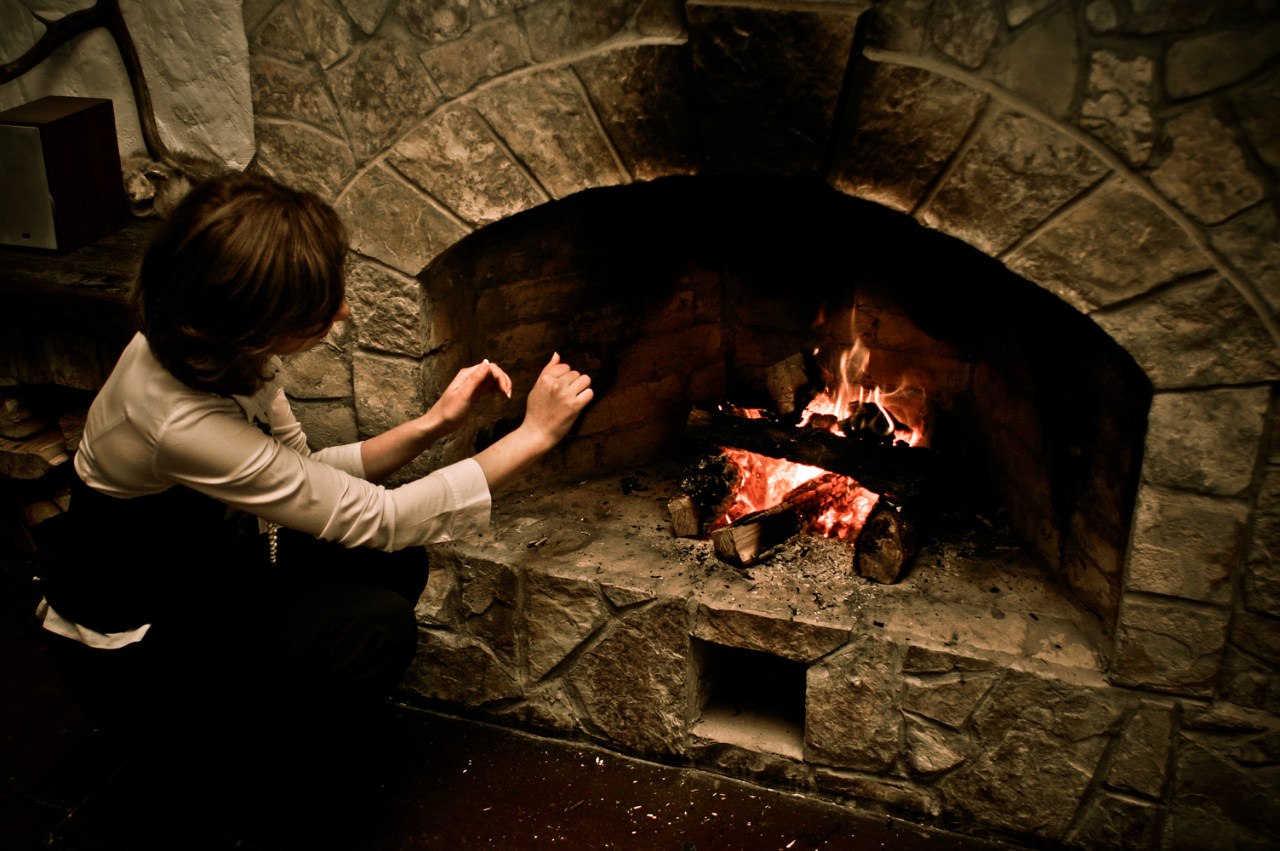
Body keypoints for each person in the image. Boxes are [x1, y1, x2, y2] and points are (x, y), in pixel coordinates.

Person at [36, 171, 593, 796]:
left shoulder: (211, 345)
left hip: (199, 575)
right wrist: (534, 436)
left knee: (392, 563)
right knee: (374, 627)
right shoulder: (176, 419)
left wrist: (434, 423)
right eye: (322, 306)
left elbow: (307, 471)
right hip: (133, 651)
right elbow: (382, 517)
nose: (344, 311)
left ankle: (270, 712)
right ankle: (240, 773)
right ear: (253, 319)